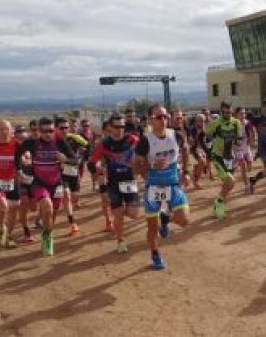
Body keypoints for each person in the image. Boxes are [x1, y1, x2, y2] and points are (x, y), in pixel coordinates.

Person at [133, 104, 191, 270]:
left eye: (165, 116)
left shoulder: (176, 135)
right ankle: (155, 255)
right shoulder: (145, 141)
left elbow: (185, 149)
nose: (163, 120)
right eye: (159, 117)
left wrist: (186, 171)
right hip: (154, 188)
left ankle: (166, 218)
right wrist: (151, 165)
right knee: (152, 227)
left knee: (184, 221)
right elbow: (136, 168)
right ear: (151, 119)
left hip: (173, 184)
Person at [15, 117, 78, 255]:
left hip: (56, 184)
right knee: (47, 206)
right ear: (39, 130)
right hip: (39, 183)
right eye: (44, 131)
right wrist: (19, 170)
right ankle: (48, 238)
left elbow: (75, 160)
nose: (48, 134)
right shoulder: (32, 142)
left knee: (51, 215)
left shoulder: (60, 141)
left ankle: (47, 234)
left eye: (50, 130)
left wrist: (66, 159)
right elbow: (18, 153)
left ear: (54, 129)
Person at [88, 114, 139, 253]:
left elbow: (144, 154)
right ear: (110, 127)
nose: (120, 129)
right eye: (116, 126)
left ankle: (120, 217)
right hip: (113, 183)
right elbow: (91, 163)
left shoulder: (132, 140)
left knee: (133, 214)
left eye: (122, 126)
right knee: (118, 214)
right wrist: (98, 172)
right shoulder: (104, 144)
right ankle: (121, 241)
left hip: (128, 181)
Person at [204, 101, 242, 219]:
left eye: (230, 112)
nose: (228, 114)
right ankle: (219, 202)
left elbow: (237, 140)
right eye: (225, 112)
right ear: (221, 112)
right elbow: (204, 136)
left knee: (229, 184)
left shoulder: (236, 123)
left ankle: (219, 202)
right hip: (218, 156)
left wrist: (237, 155)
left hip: (229, 157)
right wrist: (208, 150)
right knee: (230, 181)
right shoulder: (215, 123)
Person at [0, 120, 21, 248]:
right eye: (1, 129)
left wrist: (26, 159)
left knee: (13, 210)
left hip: (13, 181)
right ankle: (1, 226)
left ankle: (8, 236)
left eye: (6, 129)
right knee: (3, 205)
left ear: (11, 131)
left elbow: (27, 156)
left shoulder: (17, 144)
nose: (4, 131)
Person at [233, 107, 254, 194]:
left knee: (250, 166)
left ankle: (235, 165)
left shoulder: (247, 122)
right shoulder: (233, 124)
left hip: (246, 147)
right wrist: (233, 145)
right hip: (238, 148)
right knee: (243, 165)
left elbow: (252, 132)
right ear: (236, 115)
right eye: (241, 113)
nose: (243, 115)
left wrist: (252, 139)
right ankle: (247, 185)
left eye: (244, 113)